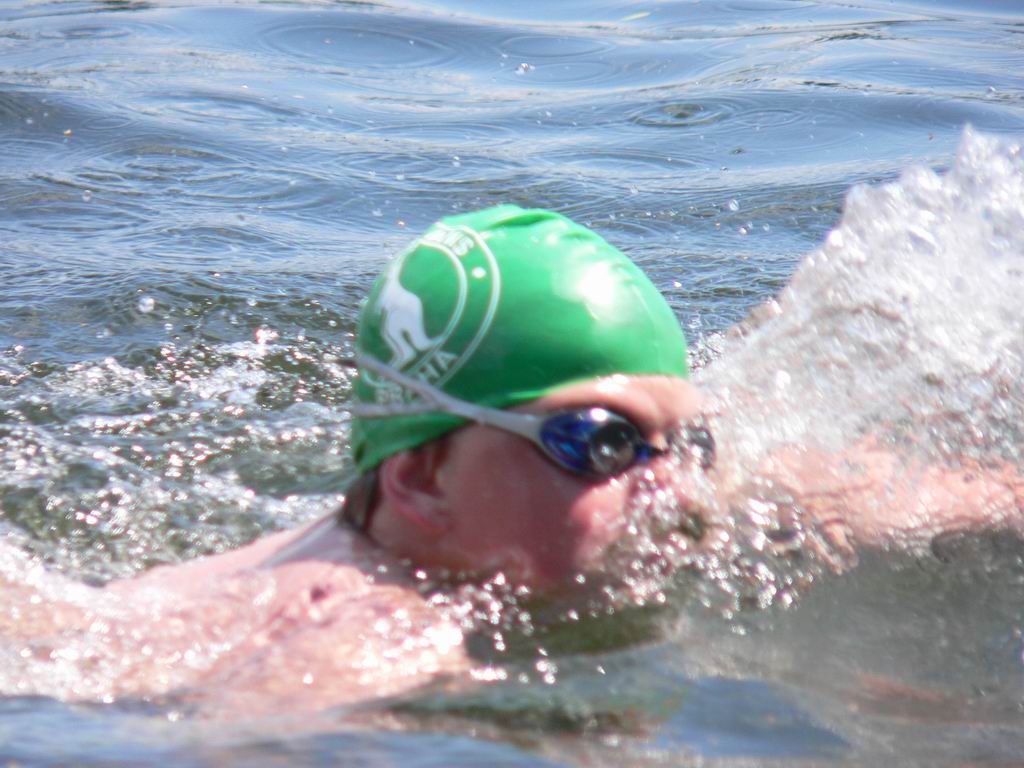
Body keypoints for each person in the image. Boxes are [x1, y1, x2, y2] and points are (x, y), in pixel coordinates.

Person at [11, 204, 1023, 715]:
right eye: (600, 440)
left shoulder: (663, 491)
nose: (669, 481)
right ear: (420, 479)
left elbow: (874, 492)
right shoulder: (370, 635)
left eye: (688, 438)